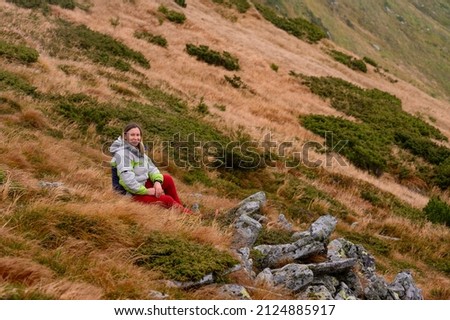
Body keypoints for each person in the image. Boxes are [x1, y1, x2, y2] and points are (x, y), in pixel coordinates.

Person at [110, 123, 193, 214]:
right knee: (167, 200)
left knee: (167, 179)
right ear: (125, 136)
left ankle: (180, 208)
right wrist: (146, 191)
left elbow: (152, 169)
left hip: (140, 186)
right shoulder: (122, 154)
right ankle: (190, 216)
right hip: (129, 194)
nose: (136, 137)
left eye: (138, 135)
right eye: (132, 135)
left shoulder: (138, 151)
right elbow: (127, 181)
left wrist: (157, 182)